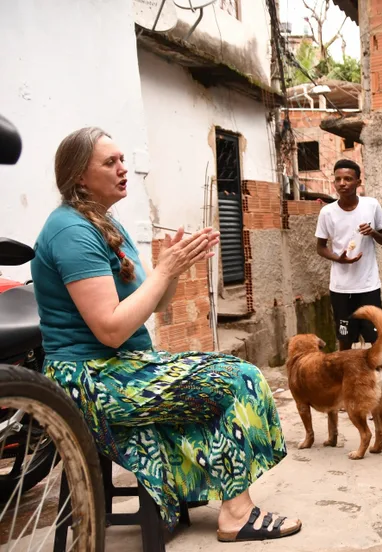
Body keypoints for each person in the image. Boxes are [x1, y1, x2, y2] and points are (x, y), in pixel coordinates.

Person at [32, 127, 300, 542]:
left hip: (121, 365)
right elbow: (111, 329)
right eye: (110, 162)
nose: (124, 169)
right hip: (91, 377)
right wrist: (164, 270)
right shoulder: (71, 232)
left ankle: (216, 498)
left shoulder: (101, 222)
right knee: (236, 380)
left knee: (228, 370)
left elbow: (153, 304)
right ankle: (236, 514)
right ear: (79, 177)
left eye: (122, 159)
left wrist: (173, 271)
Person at [315, 159, 382, 412]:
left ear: (358, 181)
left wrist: (373, 233)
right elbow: (320, 247)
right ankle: (344, 395)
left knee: (378, 342)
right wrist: (339, 259)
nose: (342, 183)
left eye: (347, 179)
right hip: (341, 288)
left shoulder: (371, 205)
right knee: (344, 343)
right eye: (338, 179)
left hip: (368, 286)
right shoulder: (327, 212)